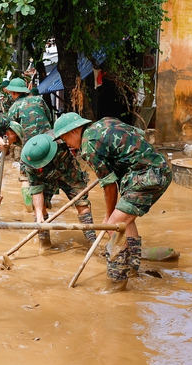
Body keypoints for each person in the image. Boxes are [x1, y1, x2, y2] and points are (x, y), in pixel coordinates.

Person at [54, 113, 172, 291]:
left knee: (113, 225)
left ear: (75, 130)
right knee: (125, 223)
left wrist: (108, 216)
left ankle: (116, 284)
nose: (68, 145)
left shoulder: (88, 145)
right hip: (153, 169)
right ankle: (133, 268)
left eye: (65, 139)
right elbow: (138, 134)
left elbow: (109, 185)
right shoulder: (104, 123)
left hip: (148, 175)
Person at [21, 133, 97, 251]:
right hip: (45, 179)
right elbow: (36, 189)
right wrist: (40, 214)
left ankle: (93, 243)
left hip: (69, 173)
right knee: (39, 210)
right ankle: (45, 245)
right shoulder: (30, 164)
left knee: (82, 205)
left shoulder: (62, 141)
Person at [7, 77, 54, 206]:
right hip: (48, 143)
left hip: (29, 147)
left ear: (14, 93)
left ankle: (29, 206)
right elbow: (50, 119)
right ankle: (47, 203)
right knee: (48, 172)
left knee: (25, 175)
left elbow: (12, 131)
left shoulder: (13, 108)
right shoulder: (40, 100)